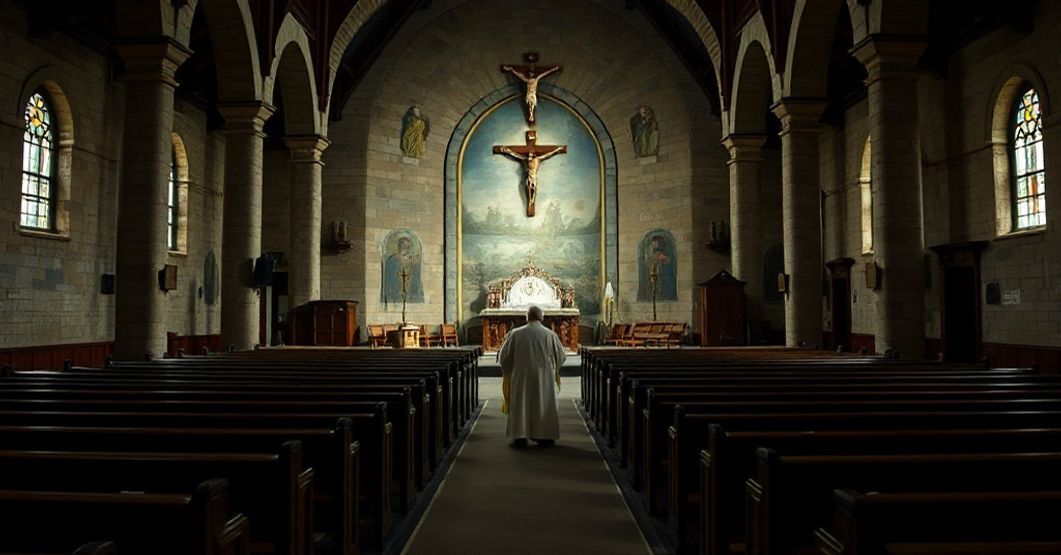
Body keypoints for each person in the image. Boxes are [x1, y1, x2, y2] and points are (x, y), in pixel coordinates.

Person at [498, 305, 566, 447]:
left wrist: (509, 371)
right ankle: (545, 436)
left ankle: (520, 435)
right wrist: (552, 369)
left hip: (521, 376)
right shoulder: (550, 335)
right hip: (544, 377)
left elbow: (504, 357)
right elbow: (561, 356)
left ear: (527, 318)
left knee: (521, 403)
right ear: (541, 318)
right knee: (543, 402)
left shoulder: (515, 334)